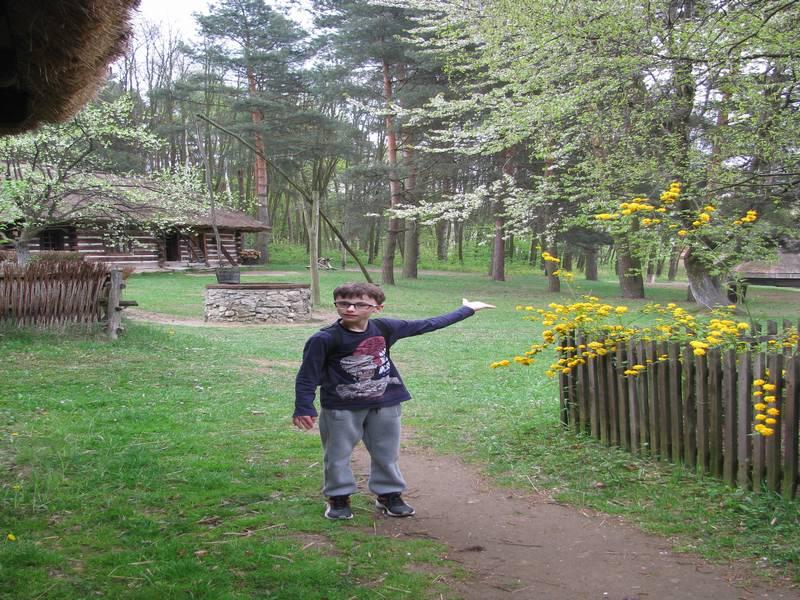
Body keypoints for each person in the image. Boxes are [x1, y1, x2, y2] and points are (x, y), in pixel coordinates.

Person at [293, 282, 495, 520]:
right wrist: (304, 405)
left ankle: (388, 494)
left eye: (360, 304)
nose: (350, 309)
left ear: (377, 308)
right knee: (337, 454)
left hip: (386, 402)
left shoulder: (384, 328)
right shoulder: (325, 338)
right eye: (343, 303)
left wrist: (468, 309)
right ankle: (338, 497)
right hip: (341, 406)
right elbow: (308, 375)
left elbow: (428, 324)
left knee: (386, 452)